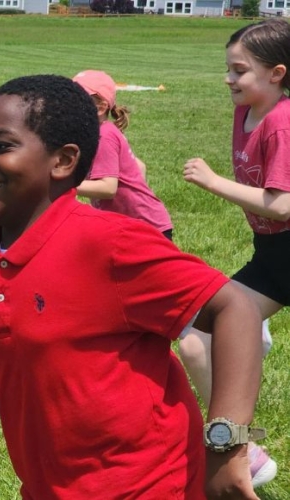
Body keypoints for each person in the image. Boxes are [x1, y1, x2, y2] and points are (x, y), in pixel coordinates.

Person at [0, 74, 265, 500]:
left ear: (63, 161)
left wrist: (226, 447)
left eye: (1, 146)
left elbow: (235, 309)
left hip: (156, 487)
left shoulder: (110, 245)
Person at [178, 18, 290, 489]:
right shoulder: (246, 112)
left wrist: (214, 182)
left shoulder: (283, 123)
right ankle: (245, 449)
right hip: (272, 257)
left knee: (201, 332)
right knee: (194, 335)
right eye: (228, 68)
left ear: (277, 73)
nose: (228, 79)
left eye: (239, 70)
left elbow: (284, 204)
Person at [73, 69, 174, 239]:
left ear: (100, 107)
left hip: (147, 229)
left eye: (76, 101)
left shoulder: (104, 136)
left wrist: (65, 186)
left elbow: (108, 187)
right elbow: (140, 166)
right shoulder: (102, 132)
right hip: (133, 225)